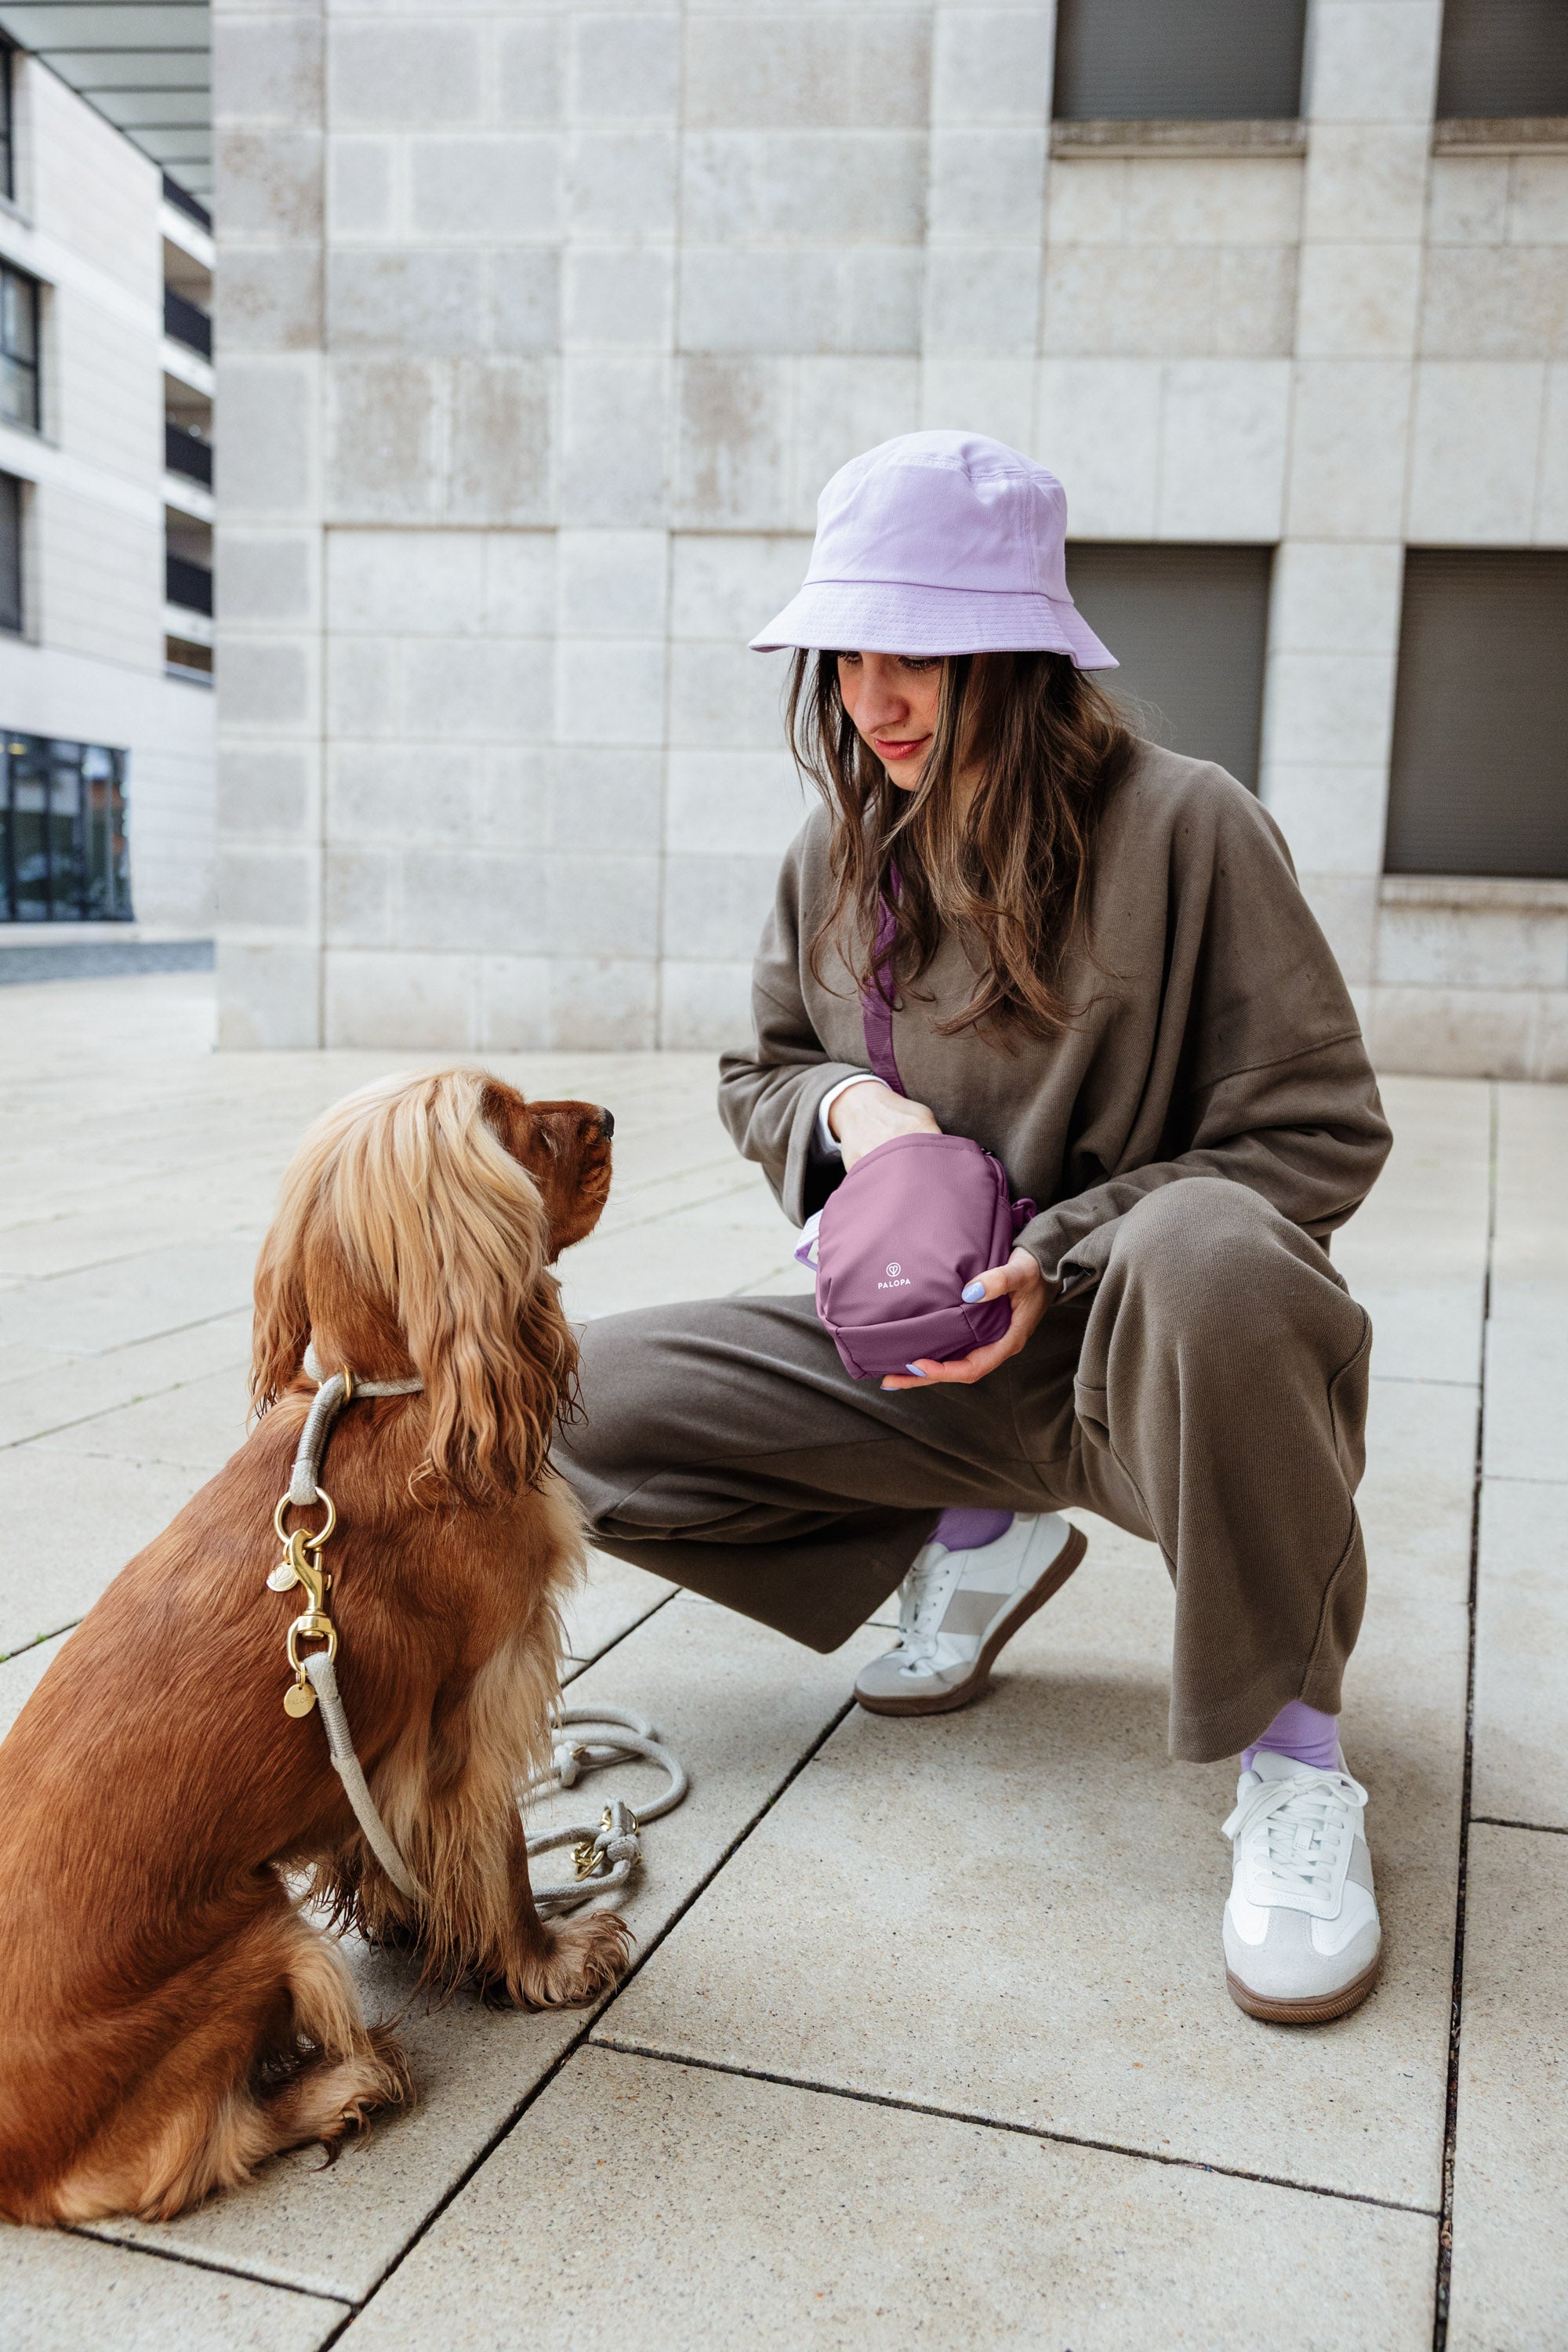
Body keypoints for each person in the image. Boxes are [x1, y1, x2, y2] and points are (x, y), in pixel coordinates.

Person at [554, 430, 1392, 2025]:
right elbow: (761, 1067)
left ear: (1018, 655)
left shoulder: (1190, 828)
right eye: (848, 650)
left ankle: (1294, 1758)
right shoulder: (835, 853)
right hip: (907, 1375)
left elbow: (1319, 1132)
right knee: (536, 1411)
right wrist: (847, 1119)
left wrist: (1063, 1248)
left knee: (1204, 1251)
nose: (872, 697)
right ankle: (968, 1536)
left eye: (917, 650)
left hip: (1151, 1368)